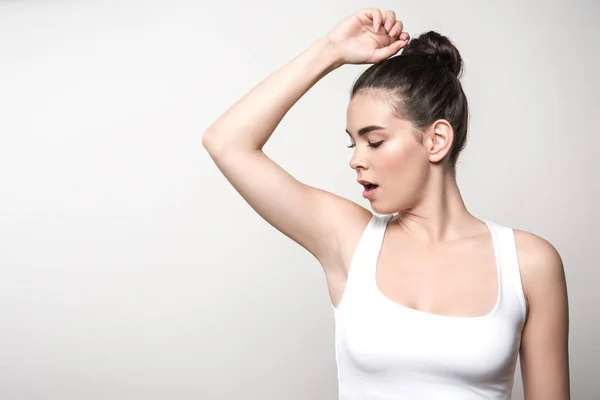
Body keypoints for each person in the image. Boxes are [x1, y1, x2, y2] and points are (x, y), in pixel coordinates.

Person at [202, 8, 570, 400]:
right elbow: (226, 142)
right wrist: (331, 50)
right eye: (352, 142)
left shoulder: (528, 263)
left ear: (436, 140)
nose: (356, 159)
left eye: (374, 141)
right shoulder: (350, 241)